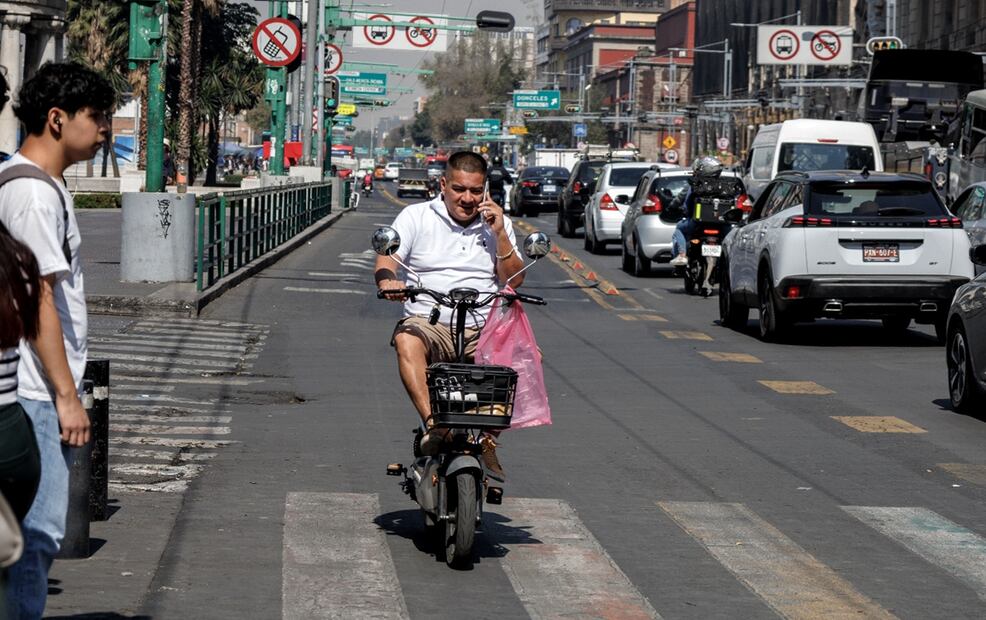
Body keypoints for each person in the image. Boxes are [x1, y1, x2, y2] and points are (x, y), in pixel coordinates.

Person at [0, 61, 112, 619]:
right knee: (36, 534)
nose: (105, 129)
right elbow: (40, 299)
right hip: (34, 391)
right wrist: (67, 396)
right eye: (97, 116)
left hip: (34, 387)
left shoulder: (38, 185)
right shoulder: (33, 194)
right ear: (57, 118)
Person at [375, 151, 525, 482]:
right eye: (459, 189)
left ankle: (487, 438)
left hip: (483, 326)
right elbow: (386, 262)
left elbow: (514, 280)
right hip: (430, 324)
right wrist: (389, 283)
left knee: (527, 355)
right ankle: (436, 427)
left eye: (475, 191)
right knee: (406, 339)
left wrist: (500, 233)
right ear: (443, 185)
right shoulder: (416, 216)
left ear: (485, 191)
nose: (467, 199)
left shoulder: (497, 225)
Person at [670, 156, 725, 267]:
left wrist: (676, 209)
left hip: (697, 223)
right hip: (721, 224)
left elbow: (686, 205)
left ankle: (682, 255)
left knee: (679, 229)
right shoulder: (723, 186)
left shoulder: (695, 186)